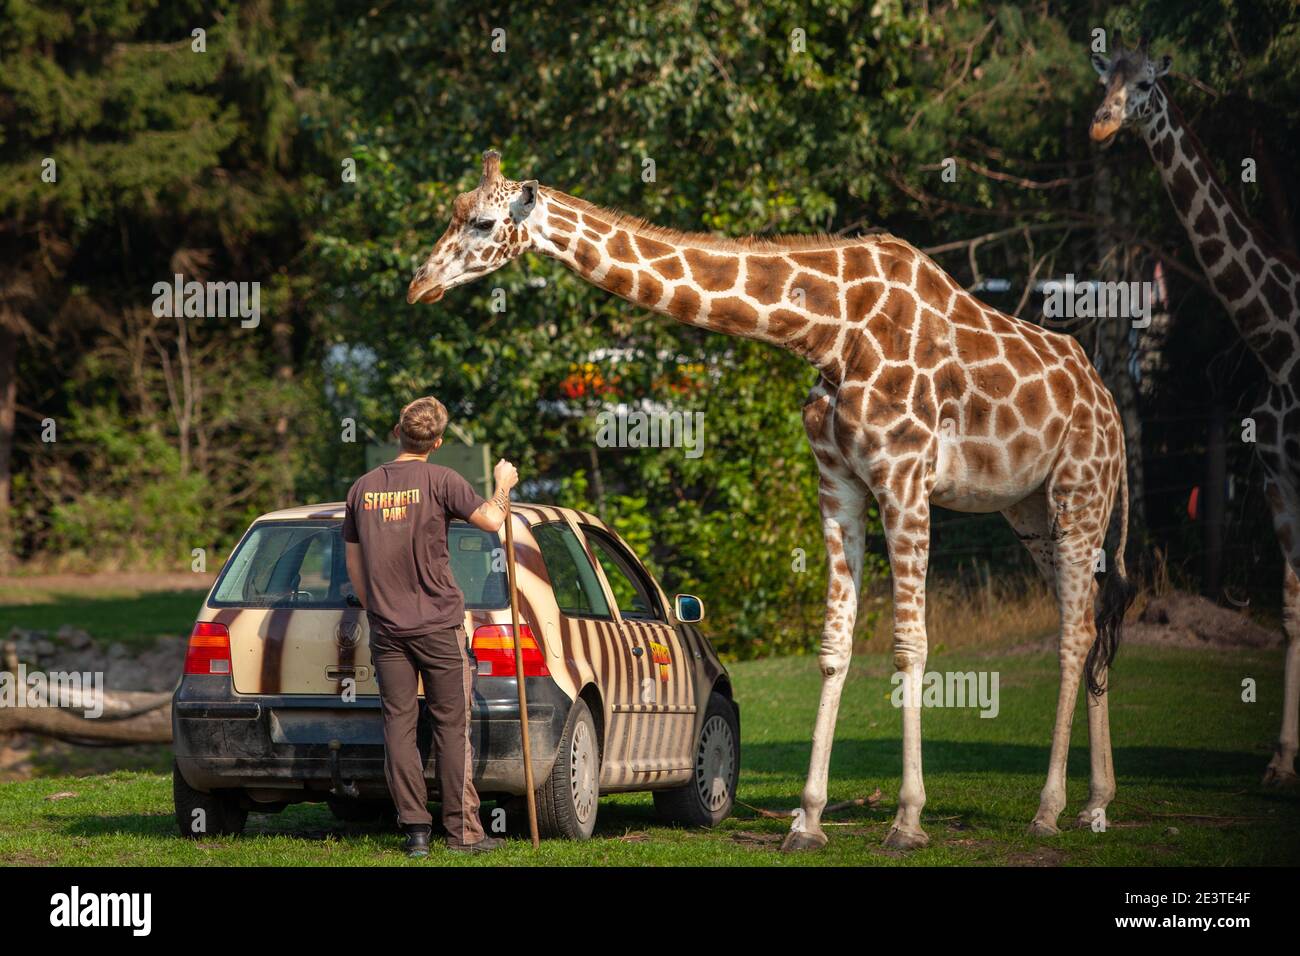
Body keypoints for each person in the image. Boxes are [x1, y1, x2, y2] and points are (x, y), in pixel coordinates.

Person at [342, 396, 519, 857]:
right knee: (450, 727)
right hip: (439, 625)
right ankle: (463, 833)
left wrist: (377, 607)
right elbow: (492, 521)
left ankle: (415, 832)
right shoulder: (442, 479)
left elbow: (354, 564)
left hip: (387, 630)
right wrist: (502, 483)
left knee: (398, 727)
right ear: (437, 442)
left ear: (396, 431)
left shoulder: (362, 488)